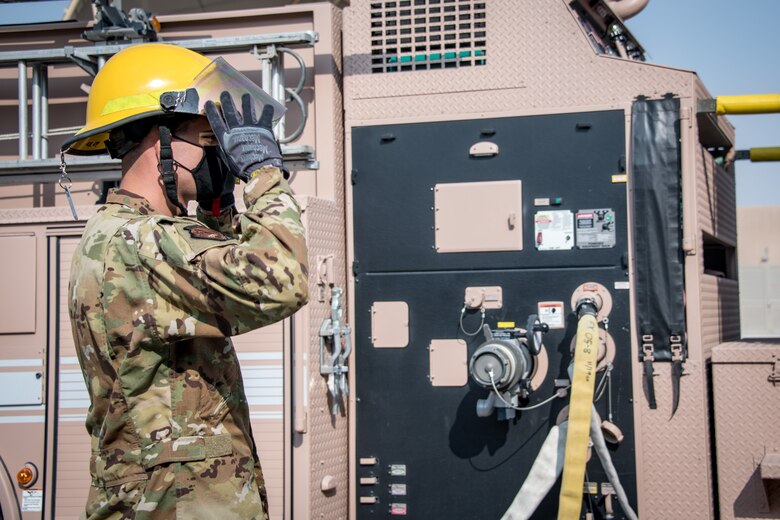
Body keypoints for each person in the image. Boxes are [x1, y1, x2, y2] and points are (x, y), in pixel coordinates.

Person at [63, 43, 308, 519]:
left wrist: (219, 209)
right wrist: (263, 175)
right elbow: (283, 280)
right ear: (162, 141)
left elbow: (213, 280)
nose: (220, 156)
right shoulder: (137, 241)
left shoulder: (133, 237)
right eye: (209, 139)